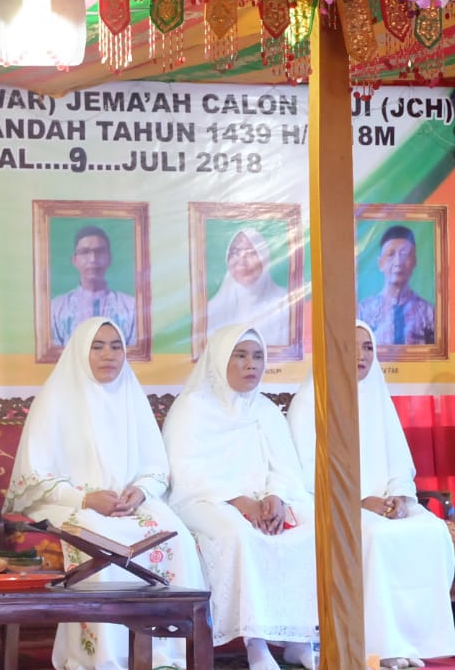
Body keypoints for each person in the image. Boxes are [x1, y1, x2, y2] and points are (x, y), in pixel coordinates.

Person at [5, 316, 206, 670]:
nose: (108, 355)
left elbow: (156, 469)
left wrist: (141, 492)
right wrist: (85, 498)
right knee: (100, 539)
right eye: (97, 346)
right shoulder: (56, 398)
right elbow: (36, 478)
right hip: (70, 502)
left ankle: (166, 655)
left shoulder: (131, 394)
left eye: (116, 346)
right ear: (81, 352)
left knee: (176, 539)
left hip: (128, 505)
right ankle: (104, 658)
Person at [288, 322, 455, 668]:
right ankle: (379, 646)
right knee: (376, 536)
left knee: (433, 530)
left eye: (367, 347)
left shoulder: (378, 395)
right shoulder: (311, 399)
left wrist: (399, 497)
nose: (361, 355)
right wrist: (361, 501)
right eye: (352, 346)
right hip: (334, 504)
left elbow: (400, 465)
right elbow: (306, 474)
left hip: (385, 503)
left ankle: (417, 641)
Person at [162, 325, 318, 670]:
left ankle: (299, 638)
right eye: (241, 355)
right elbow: (185, 473)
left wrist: (276, 496)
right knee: (240, 535)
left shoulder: (264, 409)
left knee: (309, 530)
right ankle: (256, 645)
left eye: (258, 356)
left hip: (262, 501)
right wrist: (239, 501)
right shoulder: (192, 408)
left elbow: (286, 466)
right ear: (220, 359)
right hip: (204, 501)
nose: (252, 365)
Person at [50, 226, 136, 346]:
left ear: (109, 258)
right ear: (74, 260)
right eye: (84, 252)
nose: (93, 259)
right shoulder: (56, 308)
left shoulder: (131, 307)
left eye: (99, 252)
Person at [206, 228, 290, 346]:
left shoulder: (285, 303)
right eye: (235, 252)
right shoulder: (213, 309)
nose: (242, 261)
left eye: (251, 252)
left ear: (264, 258)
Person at [357, 225, 436, 345]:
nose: (398, 262)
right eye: (390, 254)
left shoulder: (429, 313)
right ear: (380, 263)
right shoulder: (363, 312)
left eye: (404, 254)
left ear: (414, 261)